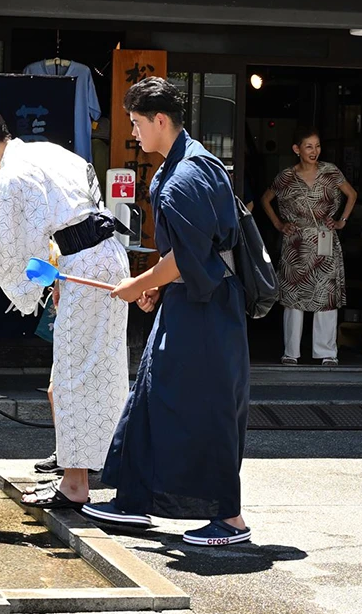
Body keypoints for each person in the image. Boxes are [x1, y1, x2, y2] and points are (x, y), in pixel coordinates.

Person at [86, 77, 252, 547]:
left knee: (209, 406)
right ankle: (133, 500)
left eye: (137, 123)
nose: (134, 132)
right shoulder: (186, 163)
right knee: (153, 395)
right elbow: (186, 255)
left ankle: (231, 519)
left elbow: (188, 257)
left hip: (209, 309)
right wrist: (157, 289)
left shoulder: (185, 174)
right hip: (192, 300)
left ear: (160, 120)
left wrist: (139, 284)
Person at [0, 105, 129, 510]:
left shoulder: (10, 176)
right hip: (101, 259)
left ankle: (76, 484)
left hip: (85, 263)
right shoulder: (47, 151)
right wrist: (58, 274)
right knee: (92, 370)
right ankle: (84, 465)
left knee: (73, 376)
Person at [260, 128, 357, 366]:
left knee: (326, 296)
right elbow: (265, 199)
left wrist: (341, 221)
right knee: (294, 297)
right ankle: (291, 352)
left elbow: (352, 194)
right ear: (297, 149)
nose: (315, 151)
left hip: (325, 240)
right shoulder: (286, 177)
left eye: (317, 146)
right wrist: (279, 225)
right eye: (309, 146)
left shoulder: (330, 171)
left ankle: (327, 352)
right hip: (296, 243)